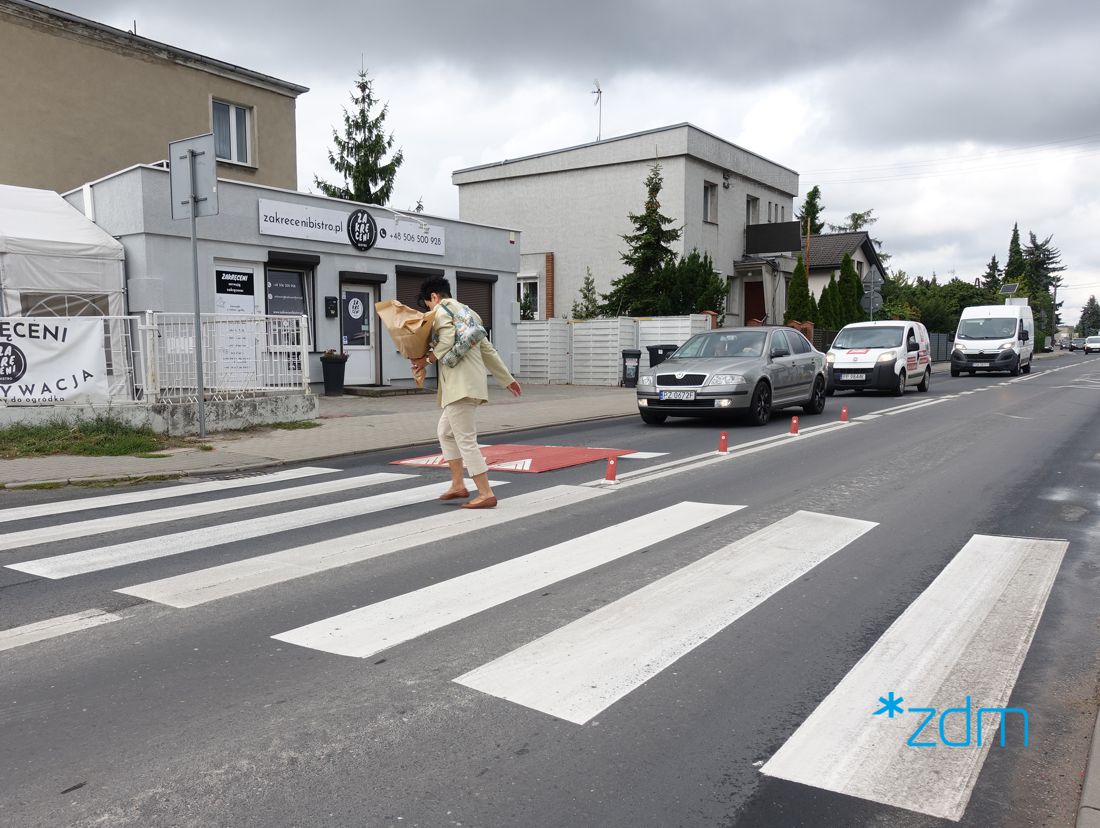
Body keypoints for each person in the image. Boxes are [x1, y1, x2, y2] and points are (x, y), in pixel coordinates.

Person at [410, 276, 522, 509]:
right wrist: (506, 379)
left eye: (428, 304)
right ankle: (458, 484)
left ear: (434, 296)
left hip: (459, 386)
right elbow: (487, 349)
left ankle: (485, 492)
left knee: (465, 440)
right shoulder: (469, 314)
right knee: (445, 432)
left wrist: (425, 360)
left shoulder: (441, 311)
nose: (429, 309)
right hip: (469, 384)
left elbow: (447, 340)